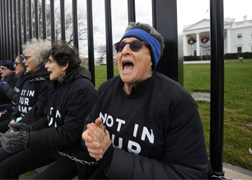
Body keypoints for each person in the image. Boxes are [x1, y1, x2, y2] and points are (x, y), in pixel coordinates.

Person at [82, 22, 208, 179]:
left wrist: (111, 157)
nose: (125, 50)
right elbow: (88, 125)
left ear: (151, 59)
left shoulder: (178, 101)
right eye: (120, 46)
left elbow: (188, 174)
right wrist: (91, 140)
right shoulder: (106, 88)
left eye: (135, 45)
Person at [0, 42, 98, 179]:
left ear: (64, 65)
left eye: (50, 62)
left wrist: (27, 139)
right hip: (55, 145)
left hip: (74, 152)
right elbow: (49, 118)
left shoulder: (83, 89)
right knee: (5, 168)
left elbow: (69, 134)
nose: (46, 66)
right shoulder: (56, 84)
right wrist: (27, 128)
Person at [0, 38, 52, 179]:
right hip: (18, 125)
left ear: (39, 59)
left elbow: (39, 112)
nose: (24, 61)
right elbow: (19, 103)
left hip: (30, 131)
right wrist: (12, 117)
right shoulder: (28, 79)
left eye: (27, 58)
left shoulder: (45, 83)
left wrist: (18, 126)